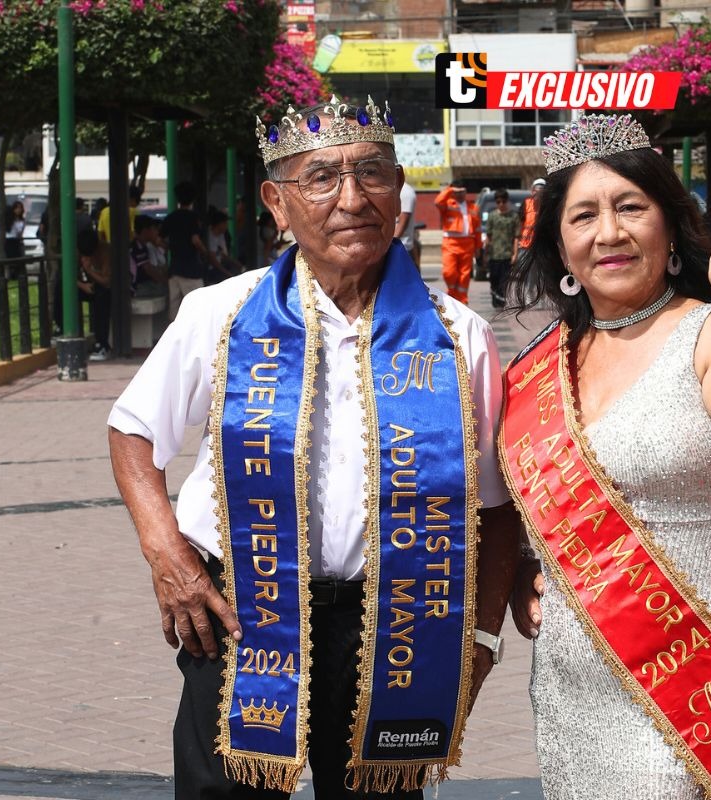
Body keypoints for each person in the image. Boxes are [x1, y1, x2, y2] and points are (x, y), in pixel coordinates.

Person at [107, 96, 519, 800]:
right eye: (322, 178)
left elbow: (495, 507)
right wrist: (165, 549)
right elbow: (133, 428)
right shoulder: (223, 314)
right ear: (278, 202)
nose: (352, 198)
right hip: (240, 609)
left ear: (398, 193)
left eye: (373, 174)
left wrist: (478, 642)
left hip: (397, 620)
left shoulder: (458, 336)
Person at [502, 114, 711, 800]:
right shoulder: (540, 368)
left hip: (687, 674)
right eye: (583, 216)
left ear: (668, 228)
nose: (608, 232)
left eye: (630, 207)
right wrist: (523, 571)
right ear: (560, 244)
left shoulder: (709, 332)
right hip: (570, 682)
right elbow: (514, 502)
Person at [160, 181, 213, 320]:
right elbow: (195, 240)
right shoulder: (193, 217)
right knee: (198, 305)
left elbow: (159, 240)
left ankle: (174, 336)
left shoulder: (171, 217)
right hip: (191, 269)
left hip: (174, 269)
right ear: (193, 199)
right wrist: (205, 252)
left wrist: (171, 248)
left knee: (174, 307)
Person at [435, 178, 481, 304]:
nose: (460, 194)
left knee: (464, 274)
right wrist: (450, 189)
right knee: (449, 272)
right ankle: (452, 293)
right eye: (457, 192)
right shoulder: (448, 204)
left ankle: (462, 299)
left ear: (466, 192)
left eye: (462, 191)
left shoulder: (473, 207)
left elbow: (477, 229)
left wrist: (478, 247)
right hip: (451, 242)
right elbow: (437, 201)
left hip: (468, 243)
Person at [76, 228, 112, 360]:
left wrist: (89, 270)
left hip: (104, 289)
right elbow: (67, 277)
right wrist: (82, 285)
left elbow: (107, 282)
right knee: (61, 288)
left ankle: (102, 344)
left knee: (102, 299)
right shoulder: (77, 251)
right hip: (87, 286)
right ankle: (62, 329)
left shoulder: (105, 251)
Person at [482, 189, 519, 308]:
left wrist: (515, 254)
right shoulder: (492, 216)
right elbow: (488, 235)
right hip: (494, 254)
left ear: (507, 201)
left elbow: (516, 237)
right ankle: (495, 298)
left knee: (504, 280)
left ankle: (502, 301)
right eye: (498, 202)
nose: (501, 204)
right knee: (494, 278)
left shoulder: (513, 216)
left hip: (507, 253)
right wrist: (485, 253)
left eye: (503, 201)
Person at [128, 214, 167, 298]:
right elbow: (149, 269)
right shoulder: (136, 247)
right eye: (154, 229)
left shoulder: (143, 246)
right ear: (145, 231)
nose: (157, 232)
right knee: (167, 290)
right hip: (137, 288)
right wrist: (166, 282)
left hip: (144, 285)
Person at [203, 207, 243, 284]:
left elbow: (223, 255)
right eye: (225, 223)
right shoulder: (209, 235)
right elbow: (213, 259)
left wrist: (238, 265)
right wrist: (227, 273)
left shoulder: (221, 235)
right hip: (210, 271)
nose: (227, 225)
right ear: (219, 224)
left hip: (220, 267)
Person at [513, 177, 545, 264]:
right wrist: (516, 247)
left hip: (542, 248)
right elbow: (519, 225)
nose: (537, 194)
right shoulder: (526, 204)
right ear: (532, 191)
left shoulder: (548, 206)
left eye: (541, 191)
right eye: (536, 191)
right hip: (525, 247)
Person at [394, 179, 417, 263]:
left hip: (401, 247)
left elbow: (403, 222)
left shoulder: (406, 192)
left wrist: (391, 244)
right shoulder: (392, 190)